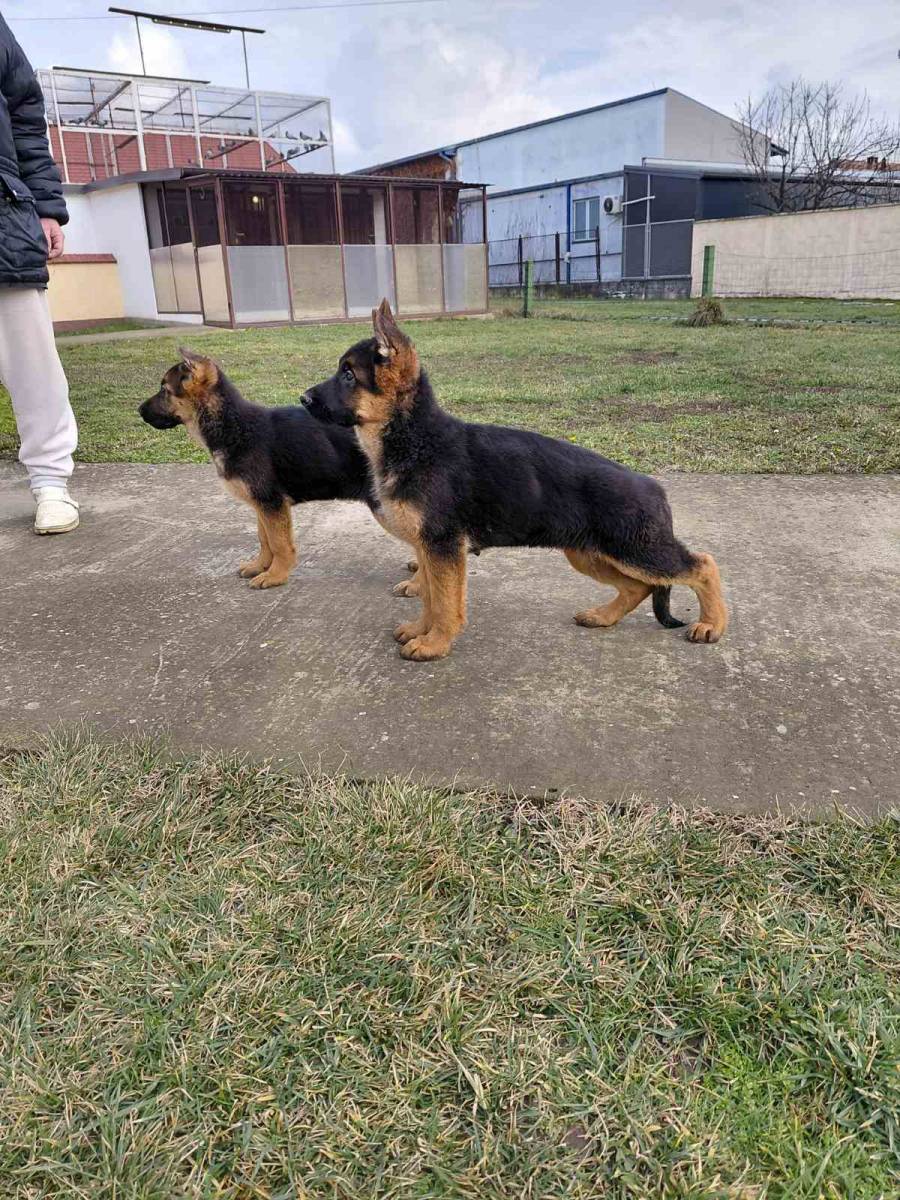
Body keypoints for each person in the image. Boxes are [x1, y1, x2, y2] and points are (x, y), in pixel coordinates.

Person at [0, 13, 78, 534]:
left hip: (3, 212)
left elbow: (25, 109)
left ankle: (51, 482)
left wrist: (46, 207)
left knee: (31, 359)